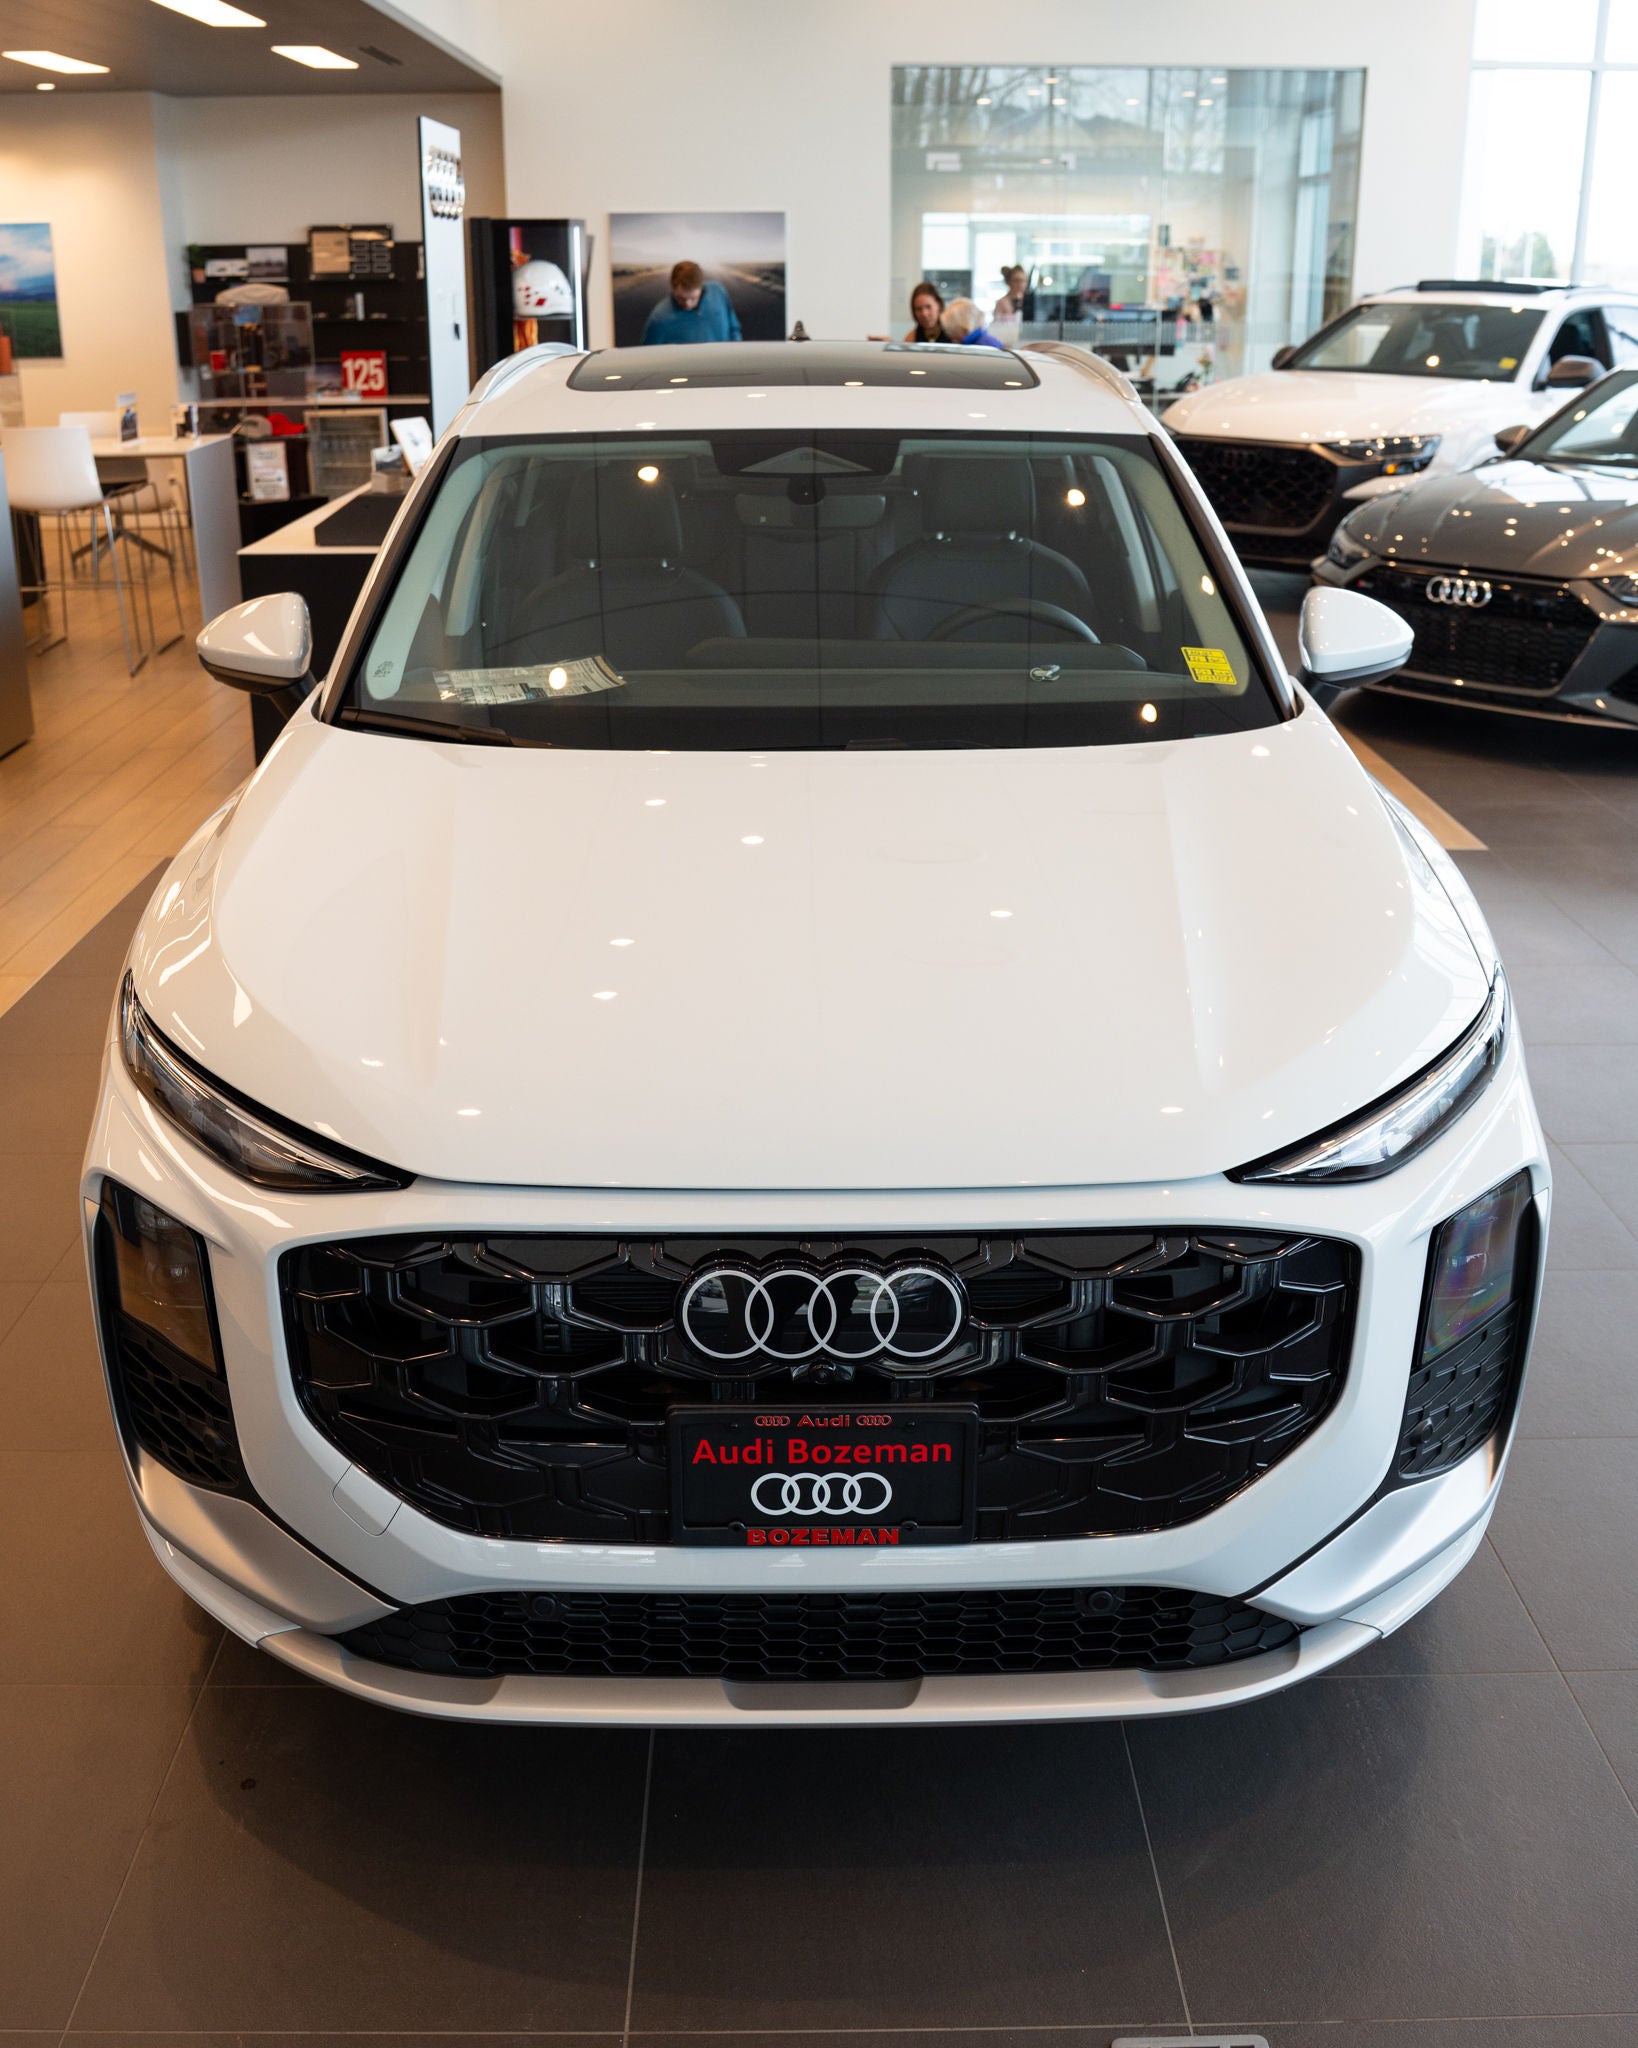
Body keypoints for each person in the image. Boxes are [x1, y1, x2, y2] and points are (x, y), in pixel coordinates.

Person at [640, 260, 743, 346]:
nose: (687, 304)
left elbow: (734, 328)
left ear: (702, 288)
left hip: (724, 367)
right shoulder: (659, 319)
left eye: (693, 298)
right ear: (673, 287)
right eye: (681, 298)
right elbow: (650, 359)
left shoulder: (718, 292)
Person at [940, 297, 1005, 349]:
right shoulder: (985, 340)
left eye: (954, 335)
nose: (953, 340)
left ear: (964, 330)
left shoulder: (981, 347)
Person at [991, 265, 1027, 344]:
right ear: (1009, 282)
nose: (1020, 284)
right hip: (1008, 342)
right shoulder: (1002, 303)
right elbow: (997, 327)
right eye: (1016, 281)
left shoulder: (1030, 302)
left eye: (1023, 281)